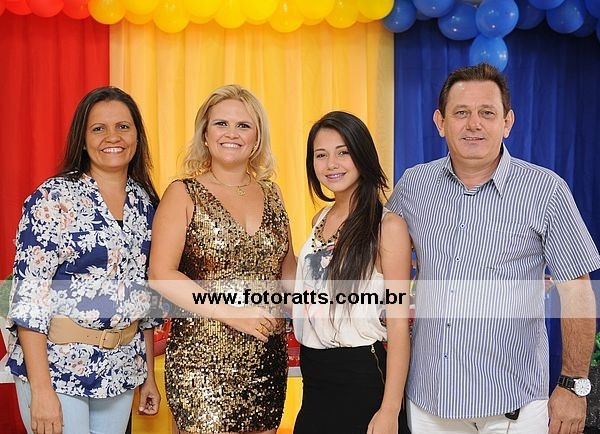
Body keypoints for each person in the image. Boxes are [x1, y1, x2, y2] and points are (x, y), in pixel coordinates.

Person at [388, 63, 600, 434]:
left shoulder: (545, 191)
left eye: (487, 113)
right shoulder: (413, 186)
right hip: (428, 404)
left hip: (514, 406)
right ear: (440, 122)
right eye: (461, 113)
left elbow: (577, 292)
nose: (474, 124)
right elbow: (382, 258)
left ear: (507, 122)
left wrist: (574, 385)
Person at [7, 86, 162, 434]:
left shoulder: (146, 203)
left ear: (137, 136)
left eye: (123, 126)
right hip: (57, 366)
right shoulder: (53, 198)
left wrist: (148, 376)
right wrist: (41, 391)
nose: (112, 137)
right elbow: (29, 299)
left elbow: (147, 297)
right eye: (98, 128)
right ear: (82, 139)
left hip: (121, 368)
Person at [148, 84, 296, 434]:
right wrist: (232, 312)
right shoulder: (182, 192)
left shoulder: (273, 193)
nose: (232, 133)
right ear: (205, 133)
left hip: (266, 358)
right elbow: (161, 274)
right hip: (202, 362)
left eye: (243, 125)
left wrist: (324, 307)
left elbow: (287, 271)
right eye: (221, 124)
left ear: (257, 137)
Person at [293, 111, 411, 434]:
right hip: (314, 378)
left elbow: (398, 326)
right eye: (321, 155)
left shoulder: (387, 227)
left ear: (362, 154)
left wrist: (390, 409)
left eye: (343, 152)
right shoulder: (320, 218)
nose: (331, 164)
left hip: (362, 374)